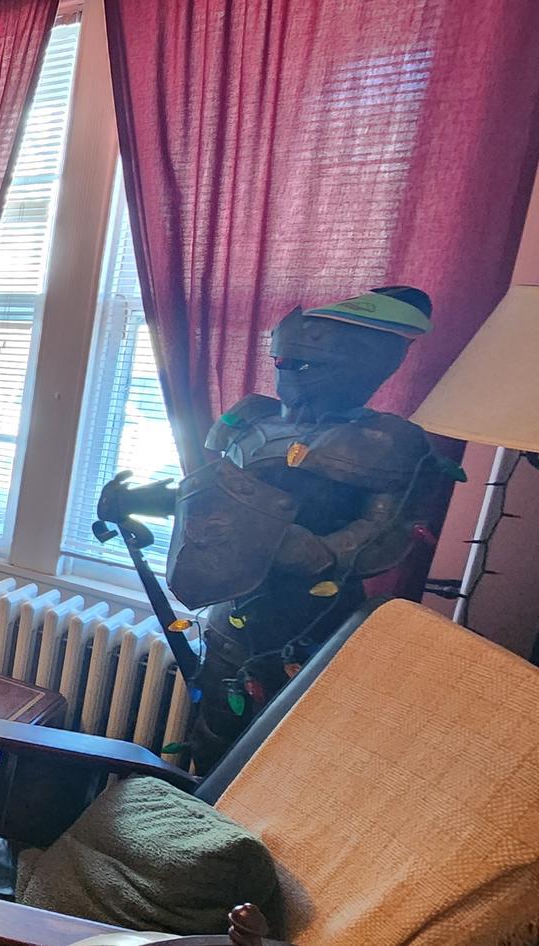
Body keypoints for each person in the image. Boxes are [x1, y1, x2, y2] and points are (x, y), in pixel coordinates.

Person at [96, 286, 455, 771]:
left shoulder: (388, 442)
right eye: (282, 362)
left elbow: (385, 531)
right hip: (231, 607)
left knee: (284, 751)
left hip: (310, 617)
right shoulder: (250, 418)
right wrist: (142, 500)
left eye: (304, 365)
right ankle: (194, 826)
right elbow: (219, 500)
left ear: (364, 363)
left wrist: (321, 552)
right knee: (214, 731)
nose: (287, 374)